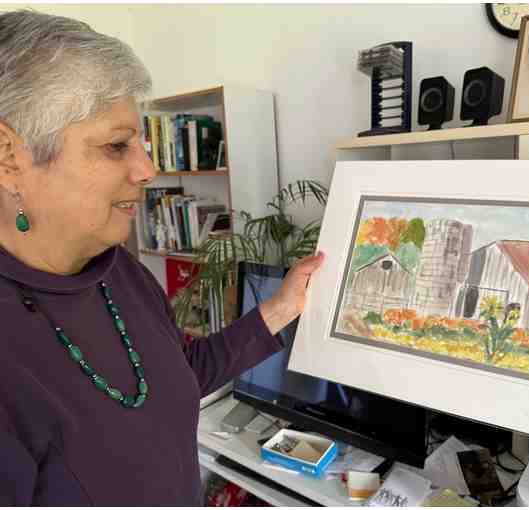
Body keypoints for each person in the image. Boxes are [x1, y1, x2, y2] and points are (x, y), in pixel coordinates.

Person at [0, 10, 324, 505]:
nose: (147, 169)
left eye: (142, 144)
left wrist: (283, 306)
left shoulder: (121, 270)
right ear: (9, 157)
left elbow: (178, 373)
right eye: (117, 146)